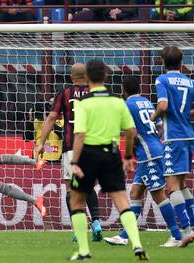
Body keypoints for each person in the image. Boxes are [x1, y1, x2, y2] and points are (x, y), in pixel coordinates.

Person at [69, 60, 147, 260]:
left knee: (77, 200)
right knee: (121, 200)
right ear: (105, 76)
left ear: (86, 77)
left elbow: (80, 135)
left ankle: (84, 251)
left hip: (88, 154)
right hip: (111, 154)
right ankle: (137, 244)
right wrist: (128, 156)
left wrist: (74, 162)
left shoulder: (83, 102)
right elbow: (131, 132)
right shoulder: (117, 101)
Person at [104, 76, 183, 247]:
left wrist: (128, 154)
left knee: (158, 194)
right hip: (155, 150)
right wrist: (152, 139)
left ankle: (177, 236)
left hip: (148, 155)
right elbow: (160, 127)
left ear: (123, 91)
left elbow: (131, 132)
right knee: (135, 193)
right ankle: (124, 236)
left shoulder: (127, 105)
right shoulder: (147, 102)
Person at [36, 63, 102, 242]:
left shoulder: (65, 93)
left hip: (72, 146)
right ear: (87, 76)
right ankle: (96, 222)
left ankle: (78, 229)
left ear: (71, 77)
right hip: (93, 145)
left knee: (71, 187)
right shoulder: (96, 93)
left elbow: (51, 118)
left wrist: (41, 142)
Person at [150, 46, 194, 236]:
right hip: (188, 134)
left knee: (171, 185)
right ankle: (192, 224)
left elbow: (163, 105)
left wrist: (153, 118)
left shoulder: (162, 79)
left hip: (173, 137)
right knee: (182, 183)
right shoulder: (190, 82)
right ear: (181, 62)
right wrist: (183, 114)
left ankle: (186, 230)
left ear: (162, 62)